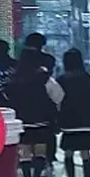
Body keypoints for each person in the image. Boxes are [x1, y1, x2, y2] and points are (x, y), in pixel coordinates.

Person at [7, 46, 64, 177]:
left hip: (22, 121)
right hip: (41, 120)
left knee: (25, 153)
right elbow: (58, 96)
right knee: (40, 152)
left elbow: (8, 98)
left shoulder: (14, 79)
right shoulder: (44, 78)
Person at [57, 48, 90, 177]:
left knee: (68, 152)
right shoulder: (86, 77)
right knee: (86, 153)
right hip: (87, 120)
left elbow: (58, 99)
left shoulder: (62, 78)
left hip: (69, 121)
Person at [24, 32, 57, 168]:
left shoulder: (21, 63)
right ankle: (47, 161)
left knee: (25, 142)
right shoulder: (48, 60)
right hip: (43, 105)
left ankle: (28, 169)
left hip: (24, 106)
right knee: (45, 137)